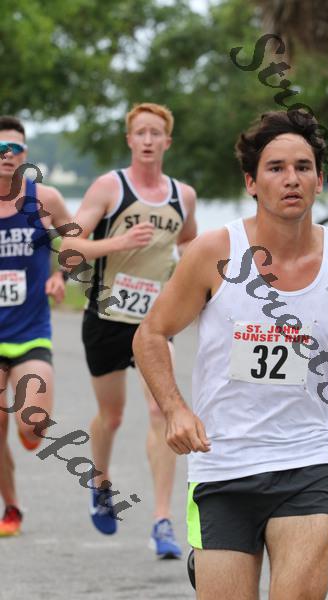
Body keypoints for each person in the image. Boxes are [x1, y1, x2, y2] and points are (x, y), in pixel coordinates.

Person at [133, 110, 328, 598]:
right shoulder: (214, 252)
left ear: (319, 179)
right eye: (276, 168)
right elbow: (151, 333)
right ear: (252, 183)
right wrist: (175, 409)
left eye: (303, 167)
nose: (291, 178)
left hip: (306, 461)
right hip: (222, 464)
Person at [60, 102, 197, 556]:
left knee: (161, 411)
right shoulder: (109, 187)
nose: (148, 140)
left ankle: (162, 520)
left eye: (156, 133)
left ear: (167, 141)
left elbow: (190, 244)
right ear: (130, 140)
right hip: (106, 317)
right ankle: (100, 483)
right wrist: (120, 241)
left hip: (155, 323)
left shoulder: (183, 196)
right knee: (112, 416)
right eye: (141, 132)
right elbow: (70, 245)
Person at [0, 115, 71, 536]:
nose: (7, 156)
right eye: (0, 149)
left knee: (31, 424)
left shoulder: (44, 198)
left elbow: (74, 240)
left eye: (15, 149)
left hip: (30, 333)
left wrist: (61, 276)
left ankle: (31, 432)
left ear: (25, 155)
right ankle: (11, 507)